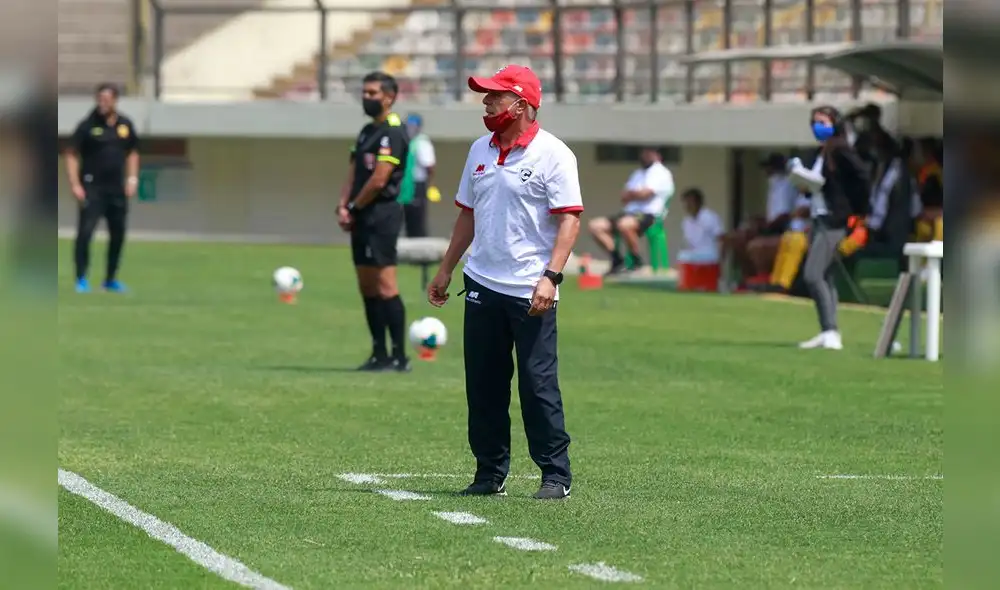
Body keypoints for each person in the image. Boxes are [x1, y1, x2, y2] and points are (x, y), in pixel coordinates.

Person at [426, 64, 583, 500]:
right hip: (481, 283)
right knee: (484, 384)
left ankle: (555, 474)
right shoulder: (479, 149)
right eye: (486, 95)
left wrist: (551, 277)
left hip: (531, 290)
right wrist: (446, 269)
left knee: (537, 385)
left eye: (495, 96)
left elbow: (569, 220)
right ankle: (489, 473)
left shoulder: (555, 154)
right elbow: (467, 214)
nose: (486, 103)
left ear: (522, 104)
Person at [338, 71, 411, 372]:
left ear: (389, 97)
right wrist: (343, 205)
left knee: (385, 286)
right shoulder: (367, 131)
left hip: (381, 214)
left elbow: (380, 179)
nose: (366, 98)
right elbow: (355, 171)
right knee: (366, 286)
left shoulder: (394, 131)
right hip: (360, 215)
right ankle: (378, 353)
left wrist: (353, 206)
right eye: (364, 93)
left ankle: (399, 356)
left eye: (372, 93)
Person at [792, 105, 870, 350]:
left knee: (812, 274)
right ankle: (828, 330)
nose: (818, 126)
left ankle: (831, 331)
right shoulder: (823, 151)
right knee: (825, 276)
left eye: (823, 121)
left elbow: (861, 176)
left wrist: (856, 210)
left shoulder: (839, 148)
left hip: (834, 221)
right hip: (818, 216)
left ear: (834, 123)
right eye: (815, 122)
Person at [65, 83, 139, 293]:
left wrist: (132, 179)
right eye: (99, 99)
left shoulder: (125, 125)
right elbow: (70, 154)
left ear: (115, 101)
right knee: (85, 233)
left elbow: (133, 152)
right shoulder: (87, 125)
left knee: (118, 235)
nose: (102, 103)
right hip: (92, 188)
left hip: (117, 190)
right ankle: (81, 279)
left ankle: (110, 279)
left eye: (106, 100)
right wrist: (75, 185)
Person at [586, 147, 674, 274]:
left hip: (649, 215)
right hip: (629, 213)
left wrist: (634, 194)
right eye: (644, 153)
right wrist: (637, 194)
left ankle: (636, 259)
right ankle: (617, 259)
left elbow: (646, 194)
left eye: (649, 153)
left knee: (625, 225)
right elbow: (624, 196)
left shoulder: (662, 173)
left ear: (657, 155)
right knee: (595, 226)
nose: (645, 156)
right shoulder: (637, 174)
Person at [743, 152, 801, 284]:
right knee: (742, 237)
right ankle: (747, 278)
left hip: (782, 228)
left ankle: (763, 277)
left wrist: (766, 226)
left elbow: (784, 214)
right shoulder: (773, 184)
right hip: (774, 225)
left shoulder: (785, 184)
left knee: (755, 246)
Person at [399, 113, 438, 237]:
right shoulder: (405, 141)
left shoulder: (422, 142)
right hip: (406, 185)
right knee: (407, 219)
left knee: (417, 220)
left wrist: (431, 185)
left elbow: (429, 166)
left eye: (413, 126)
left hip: (418, 185)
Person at [677, 188, 724, 263]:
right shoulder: (686, 221)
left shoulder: (710, 217)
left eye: (690, 202)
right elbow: (687, 243)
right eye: (686, 202)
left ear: (699, 203)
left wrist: (720, 262)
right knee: (681, 256)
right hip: (693, 257)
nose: (688, 205)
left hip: (709, 257)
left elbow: (721, 239)